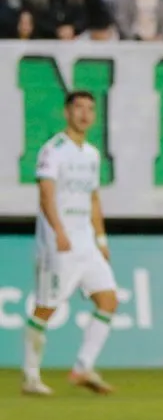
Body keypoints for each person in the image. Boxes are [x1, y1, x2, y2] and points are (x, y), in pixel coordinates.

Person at [22, 91, 118, 397]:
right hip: (58, 243)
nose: (85, 114)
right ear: (67, 112)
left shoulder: (91, 153)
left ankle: (82, 367)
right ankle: (31, 376)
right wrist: (59, 231)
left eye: (90, 109)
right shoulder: (54, 150)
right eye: (79, 108)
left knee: (108, 300)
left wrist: (100, 238)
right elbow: (46, 194)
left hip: (86, 242)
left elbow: (93, 198)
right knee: (46, 307)